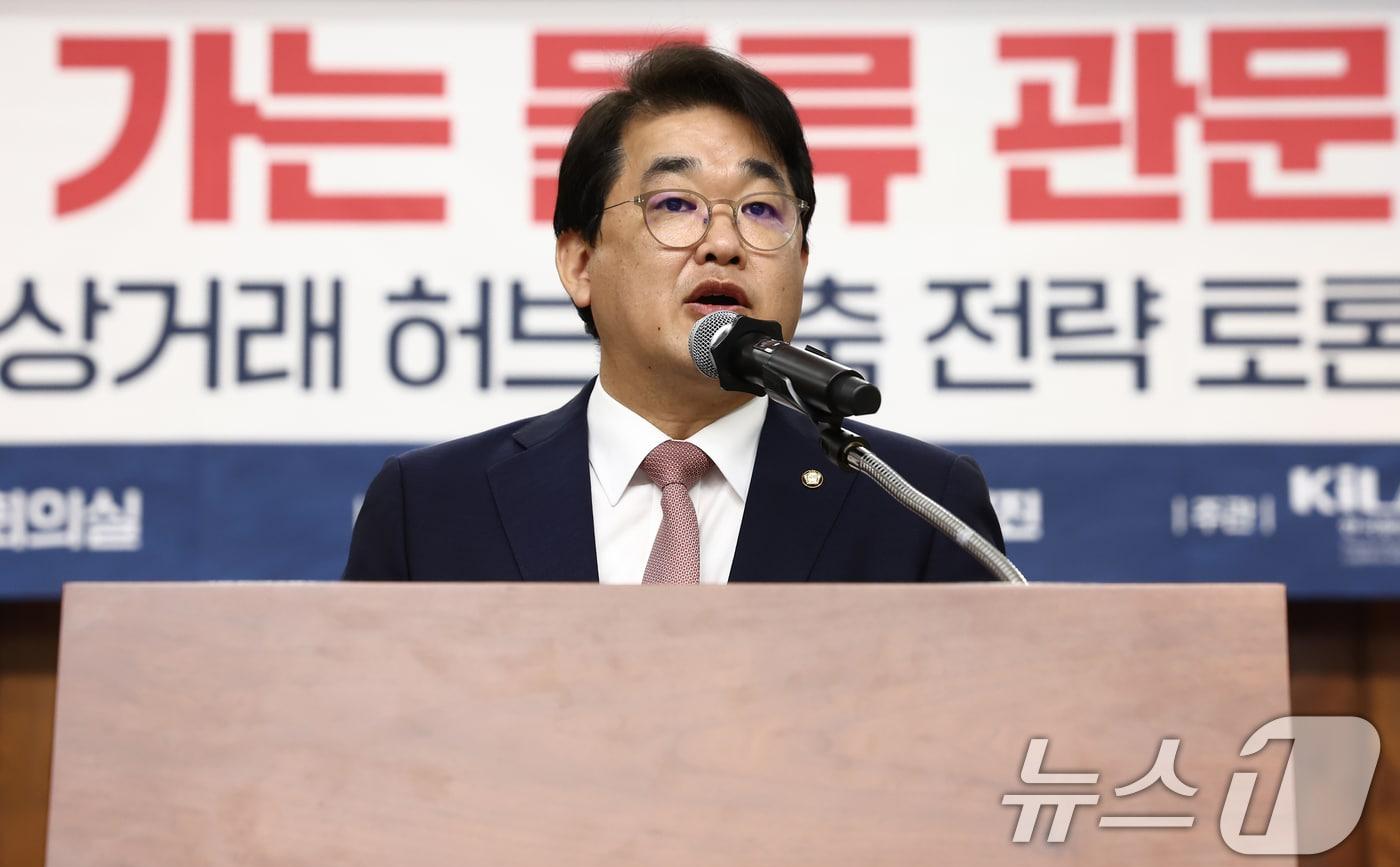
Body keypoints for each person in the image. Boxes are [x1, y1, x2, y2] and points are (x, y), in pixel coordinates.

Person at [343, 43, 1004, 584]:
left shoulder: (921, 506)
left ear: (801, 261)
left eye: (761, 209)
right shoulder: (428, 507)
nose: (724, 244)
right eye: (676, 205)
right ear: (580, 263)